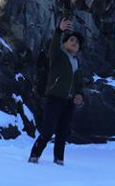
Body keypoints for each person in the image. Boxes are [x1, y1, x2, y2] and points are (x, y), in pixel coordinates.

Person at [29, 18, 85, 166]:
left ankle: (59, 160)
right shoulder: (58, 56)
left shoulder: (77, 64)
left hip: (69, 103)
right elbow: (54, 44)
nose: (74, 43)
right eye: (71, 40)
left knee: (62, 134)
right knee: (47, 131)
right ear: (65, 43)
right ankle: (34, 155)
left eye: (77, 43)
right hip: (54, 98)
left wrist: (80, 96)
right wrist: (59, 30)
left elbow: (79, 85)